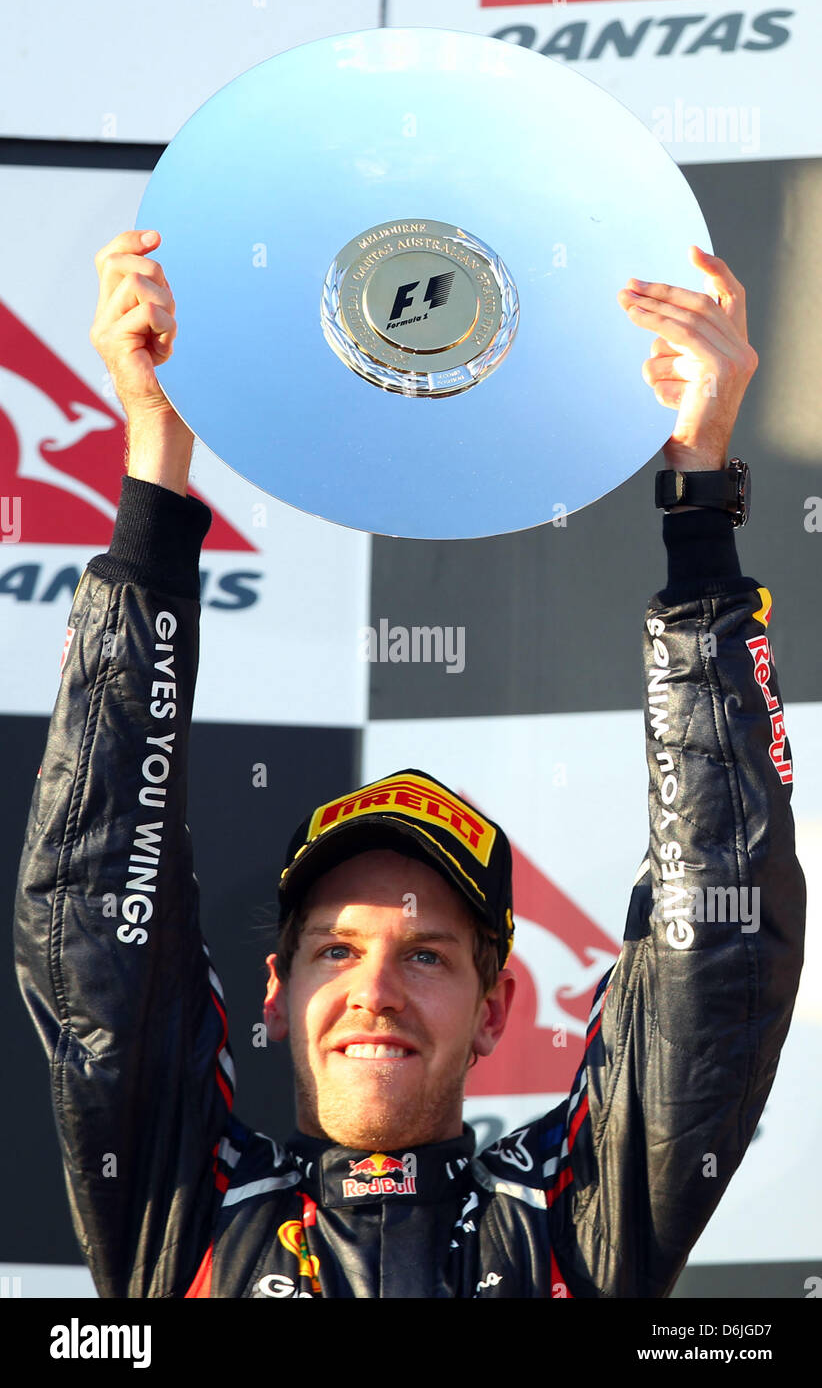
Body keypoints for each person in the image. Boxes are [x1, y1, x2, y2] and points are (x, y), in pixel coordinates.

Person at [13, 230, 805, 1299]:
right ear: (277, 995)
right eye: (335, 952)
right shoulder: (182, 1211)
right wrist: (154, 457)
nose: (374, 990)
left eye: (428, 955)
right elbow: (97, 908)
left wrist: (701, 493)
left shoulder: (568, 1226)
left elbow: (718, 941)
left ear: (495, 1009)